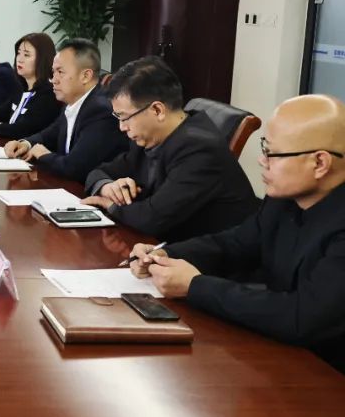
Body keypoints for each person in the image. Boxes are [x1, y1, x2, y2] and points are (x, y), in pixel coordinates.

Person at [129, 94, 345, 373]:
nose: (262, 161)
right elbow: (235, 244)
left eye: (272, 153)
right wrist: (165, 254)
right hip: (282, 352)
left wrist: (195, 286)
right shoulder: (284, 200)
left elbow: (303, 317)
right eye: (264, 147)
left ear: (320, 163)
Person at [81, 56, 259, 241]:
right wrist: (107, 187)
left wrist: (110, 204)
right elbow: (99, 172)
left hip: (207, 254)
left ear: (157, 110)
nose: (122, 127)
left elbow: (151, 218)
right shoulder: (150, 136)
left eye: (124, 117)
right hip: (162, 244)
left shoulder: (200, 151)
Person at [4, 38, 127, 183]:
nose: (53, 80)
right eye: (53, 72)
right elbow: (50, 134)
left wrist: (43, 155)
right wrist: (25, 144)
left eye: (60, 72)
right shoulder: (74, 102)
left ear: (85, 76)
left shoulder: (101, 111)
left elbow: (74, 168)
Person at [0, 32, 63, 139]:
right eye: (18, 53)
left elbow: (22, 130)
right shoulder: (22, 89)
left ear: (42, 59)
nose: (19, 59)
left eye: (26, 55)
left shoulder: (49, 94)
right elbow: (4, 110)